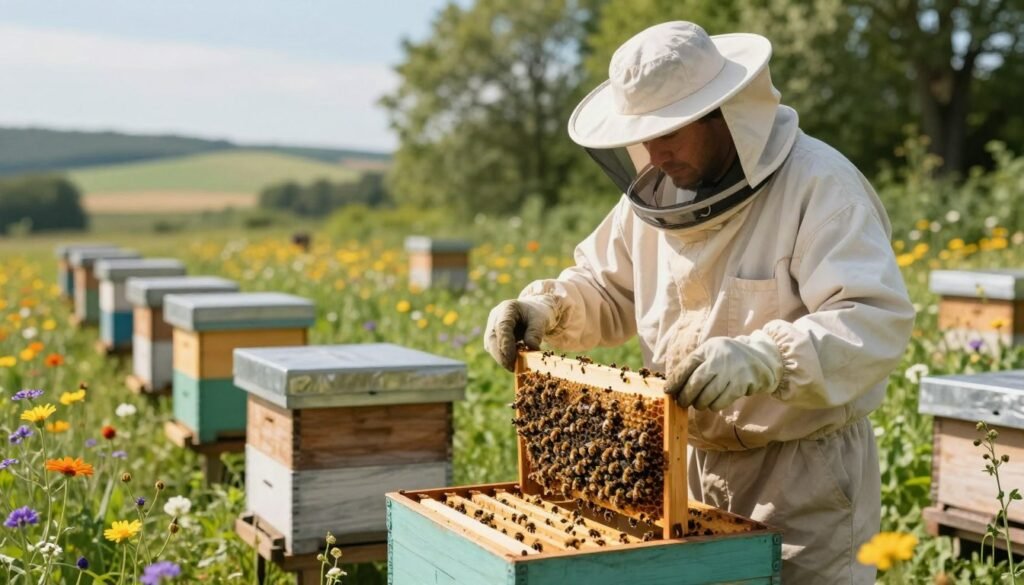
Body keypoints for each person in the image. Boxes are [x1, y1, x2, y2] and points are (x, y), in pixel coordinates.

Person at [484, 21, 914, 584]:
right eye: (643, 136)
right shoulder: (656, 197)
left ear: (727, 114)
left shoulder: (820, 187)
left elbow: (873, 319)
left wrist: (766, 359)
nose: (655, 154)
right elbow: (608, 287)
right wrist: (550, 307)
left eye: (671, 132)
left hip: (802, 477)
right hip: (682, 466)